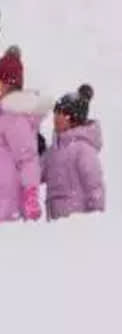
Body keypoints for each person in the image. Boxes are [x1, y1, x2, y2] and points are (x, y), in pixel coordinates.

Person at [0, 46, 50, 221]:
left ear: (9, 85)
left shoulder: (14, 118)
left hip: (7, 202)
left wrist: (31, 193)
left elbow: (27, 158)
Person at [43, 84, 104, 219]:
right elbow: (35, 173)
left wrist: (96, 218)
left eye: (62, 114)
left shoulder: (83, 150)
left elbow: (95, 187)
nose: (56, 117)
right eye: (56, 112)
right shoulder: (53, 151)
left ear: (75, 120)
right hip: (54, 223)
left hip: (77, 224)